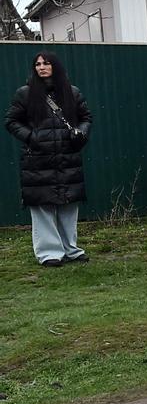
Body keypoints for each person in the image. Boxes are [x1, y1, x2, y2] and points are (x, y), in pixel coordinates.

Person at [5, 51, 92, 266]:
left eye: (46, 63)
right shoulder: (25, 94)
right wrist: (31, 137)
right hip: (38, 160)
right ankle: (49, 253)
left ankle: (71, 249)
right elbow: (11, 121)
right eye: (37, 64)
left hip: (67, 156)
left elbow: (86, 117)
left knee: (68, 206)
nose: (41, 67)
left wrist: (81, 132)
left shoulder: (72, 93)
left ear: (56, 66)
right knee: (43, 208)